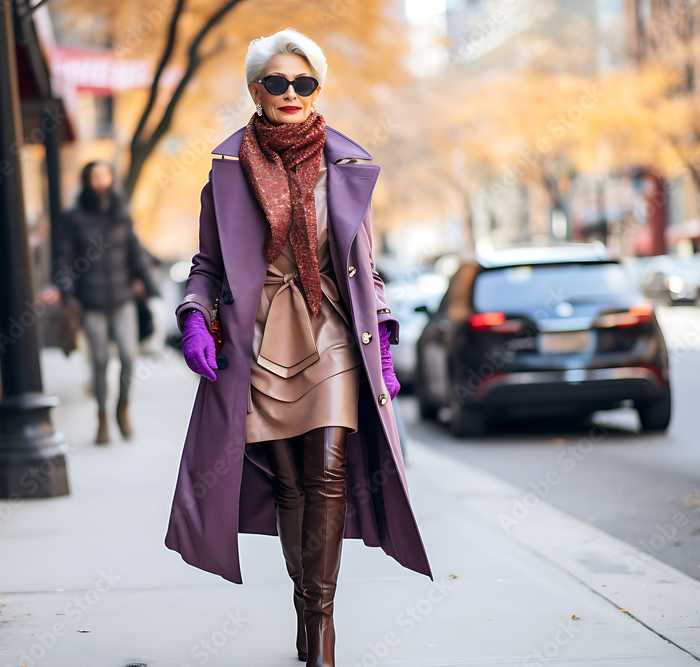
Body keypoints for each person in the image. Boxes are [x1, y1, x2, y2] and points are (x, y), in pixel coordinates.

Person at [164, 28, 432, 667]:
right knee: (287, 485)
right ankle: (304, 606)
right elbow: (206, 263)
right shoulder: (225, 172)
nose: (292, 93)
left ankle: (321, 628)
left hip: (332, 331)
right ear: (255, 91)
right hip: (257, 338)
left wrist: (385, 342)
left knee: (328, 471)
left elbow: (366, 267)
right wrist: (195, 318)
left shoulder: (347, 166)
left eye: (304, 82)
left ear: (317, 91)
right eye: (278, 82)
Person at [53, 160, 159, 443]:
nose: (101, 181)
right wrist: (68, 295)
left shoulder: (120, 214)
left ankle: (122, 408)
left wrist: (149, 285)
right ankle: (101, 417)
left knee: (128, 355)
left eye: (105, 175)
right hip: (90, 301)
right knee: (100, 360)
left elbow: (134, 252)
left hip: (122, 297)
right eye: (95, 176)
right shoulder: (73, 219)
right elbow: (63, 261)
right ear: (87, 180)